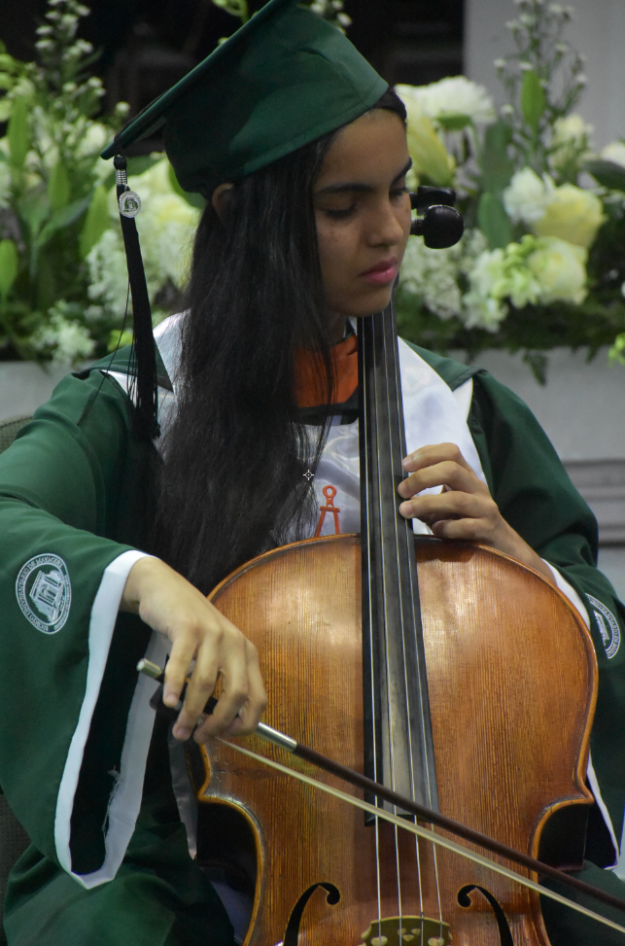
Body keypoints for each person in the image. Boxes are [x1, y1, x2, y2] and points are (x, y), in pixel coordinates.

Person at [0, 0, 624, 943]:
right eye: (344, 206)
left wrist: (527, 573)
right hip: (175, 850)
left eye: (401, 192)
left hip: (457, 850)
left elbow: (598, 616)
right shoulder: (133, 409)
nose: (391, 232)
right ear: (243, 219)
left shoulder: (462, 411)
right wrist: (145, 584)